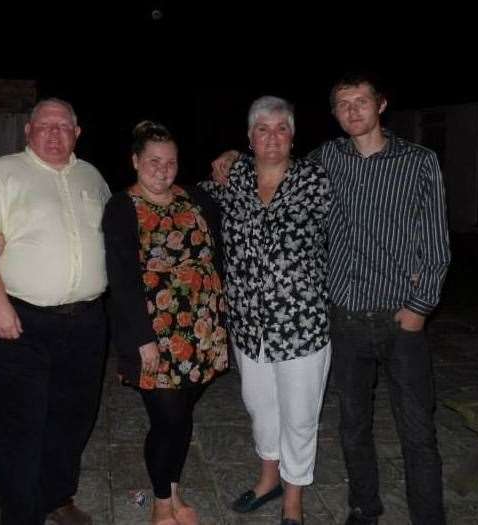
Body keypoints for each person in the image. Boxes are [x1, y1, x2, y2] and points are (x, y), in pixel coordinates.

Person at [213, 75, 451, 524]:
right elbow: (228, 184)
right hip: (335, 317)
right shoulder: (324, 161)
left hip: (391, 316)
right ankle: (362, 509)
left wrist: (420, 307)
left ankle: (427, 516)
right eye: (344, 104)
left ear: (381, 105)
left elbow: (437, 241)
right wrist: (227, 158)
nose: (354, 111)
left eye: (362, 101)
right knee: (351, 425)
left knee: (416, 431)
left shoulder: (412, 162)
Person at [0, 98, 110, 525]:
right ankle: (20, 512)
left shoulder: (92, 176)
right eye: (45, 125)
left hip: (86, 321)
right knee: (18, 424)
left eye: (64, 126)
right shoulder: (2, 173)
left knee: (73, 416)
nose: (54, 133)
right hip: (22, 320)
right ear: (28, 130)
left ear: (77, 133)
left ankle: (57, 496)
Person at [201, 96, 333, 525]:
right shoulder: (231, 177)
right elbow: (180, 204)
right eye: (262, 128)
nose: (272, 136)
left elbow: (352, 232)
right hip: (249, 326)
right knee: (260, 407)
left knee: (299, 415)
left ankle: (294, 498)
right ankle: (268, 478)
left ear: (292, 135)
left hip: (302, 325)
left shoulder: (316, 180)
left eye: (281, 128)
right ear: (249, 137)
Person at [102, 121, 228, 525]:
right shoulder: (122, 206)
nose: (162, 169)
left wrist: (234, 156)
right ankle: (160, 503)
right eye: (153, 161)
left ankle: (173, 489)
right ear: (135, 161)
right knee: (168, 419)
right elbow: (120, 278)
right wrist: (142, 340)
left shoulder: (195, 199)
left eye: (170, 162)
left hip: (202, 332)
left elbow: (218, 255)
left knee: (182, 418)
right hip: (153, 336)